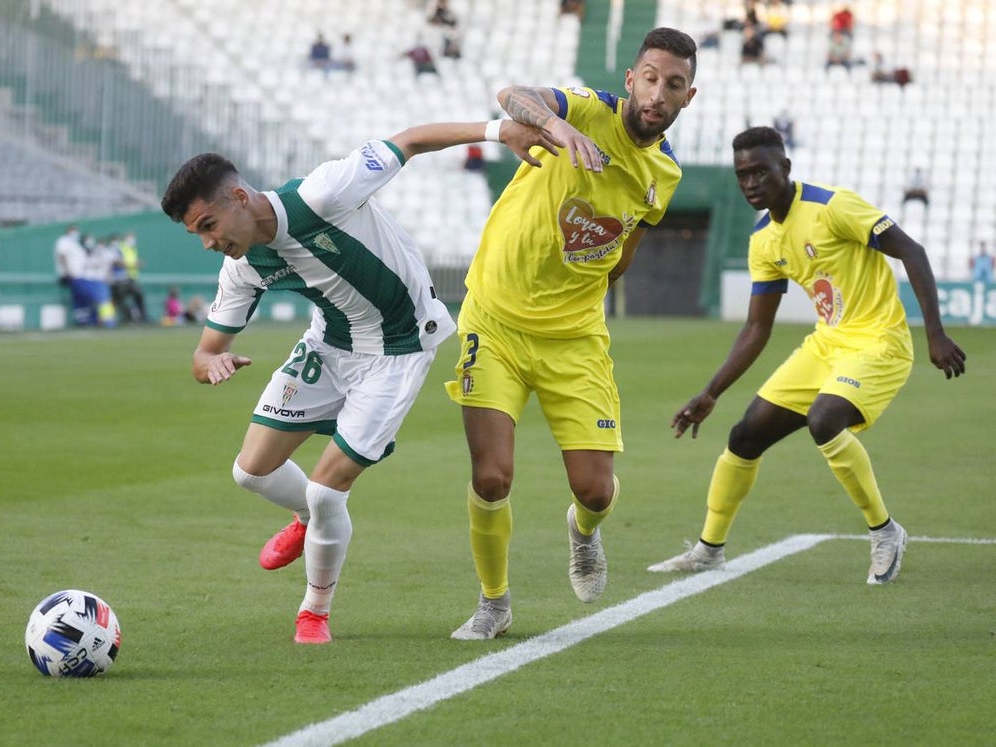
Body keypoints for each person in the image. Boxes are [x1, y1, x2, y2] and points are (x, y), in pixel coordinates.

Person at [159, 119, 557, 644]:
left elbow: (410, 141)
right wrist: (209, 363)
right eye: (198, 234)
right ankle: (306, 520)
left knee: (328, 490)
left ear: (238, 196)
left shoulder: (325, 192)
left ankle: (314, 611)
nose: (209, 242)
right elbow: (205, 351)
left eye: (209, 224)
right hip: (330, 345)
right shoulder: (242, 266)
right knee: (250, 472)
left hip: (399, 347)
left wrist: (497, 129)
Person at [444, 27, 699, 640]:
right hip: (495, 321)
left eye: (675, 84)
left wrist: (581, 274)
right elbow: (513, 95)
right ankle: (494, 602)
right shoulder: (587, 108)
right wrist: (557, 127)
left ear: (689, 96)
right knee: (491, 476)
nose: (658, 92)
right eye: (651, 76)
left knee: (595, 488)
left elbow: (626, 247)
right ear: (632, 77)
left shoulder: (664, 174)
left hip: (575, 338)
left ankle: (583, 533)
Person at [650, 126, 966, 585]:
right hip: (827, 344)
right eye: (742, 175)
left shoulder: (832, 206)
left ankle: (885, 532)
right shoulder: (763, 240)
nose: (751, 182)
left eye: (760, 170)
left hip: (879, 342)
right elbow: (757, 327)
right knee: (744, 437)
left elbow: (911, 251)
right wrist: (711, 392)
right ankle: (708, 550)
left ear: (785, 168)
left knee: (824, 420)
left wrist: (935, 334)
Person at [53, 224, 92, 326]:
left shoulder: (75, 243)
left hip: (80, 275)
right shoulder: (64, 241)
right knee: (80, 296)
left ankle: (84, 319)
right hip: (72, 275)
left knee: (82, 297)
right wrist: (68, 271)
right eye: (74, 231)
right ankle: (81, 321)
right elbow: (63, 255)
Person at [111, 232, 148, 323]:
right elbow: (117, 262)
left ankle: (142, 317)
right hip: (121, 280)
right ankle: (127, 318)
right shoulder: (120, 248)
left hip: (131, 279)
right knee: (120, 299)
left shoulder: (133, 249)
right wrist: (133, 265)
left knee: (139, 296)